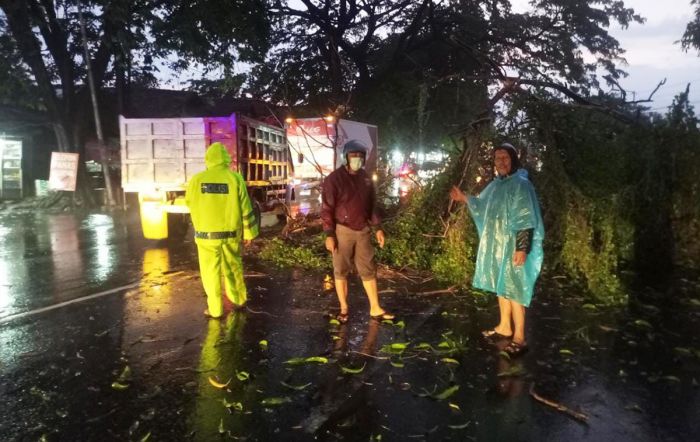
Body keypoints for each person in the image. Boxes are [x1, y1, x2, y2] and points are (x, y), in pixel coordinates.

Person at [450, 143, 544, 356]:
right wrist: (464, 198)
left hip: (515, 247)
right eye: (497, 158)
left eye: (505, 158)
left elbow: (525, 218)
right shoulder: (496, 185)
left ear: (513, 160)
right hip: (500, 248)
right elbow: (482, 205)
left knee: (515, 289)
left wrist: (522, 248)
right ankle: (504, 326)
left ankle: (519, 338)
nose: (501, 162)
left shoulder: (521, 184)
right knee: (502, 287)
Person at [321, 139, 394, 323]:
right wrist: (329, 234)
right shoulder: (334, 179)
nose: (357, 160)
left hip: (363, 230)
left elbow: (372, 206)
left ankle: (375, 308)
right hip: (342, 231)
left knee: (368, 269)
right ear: (345, 157)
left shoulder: (366, 178)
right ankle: (344, 308)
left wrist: (378, 228)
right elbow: (327, 208)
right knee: (341, 270)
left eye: (360, 156)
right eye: (354, 156)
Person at [185, 142, 259, 319]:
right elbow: (246, 208)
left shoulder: (197, 180)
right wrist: (249, 233)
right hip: (230, 235)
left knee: (210, 273)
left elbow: (189, 203)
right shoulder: (235, 179)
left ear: (208, 159)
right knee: (233, 268)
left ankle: (216, 309)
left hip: (206, 237)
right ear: (226, 159)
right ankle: (239, 300)